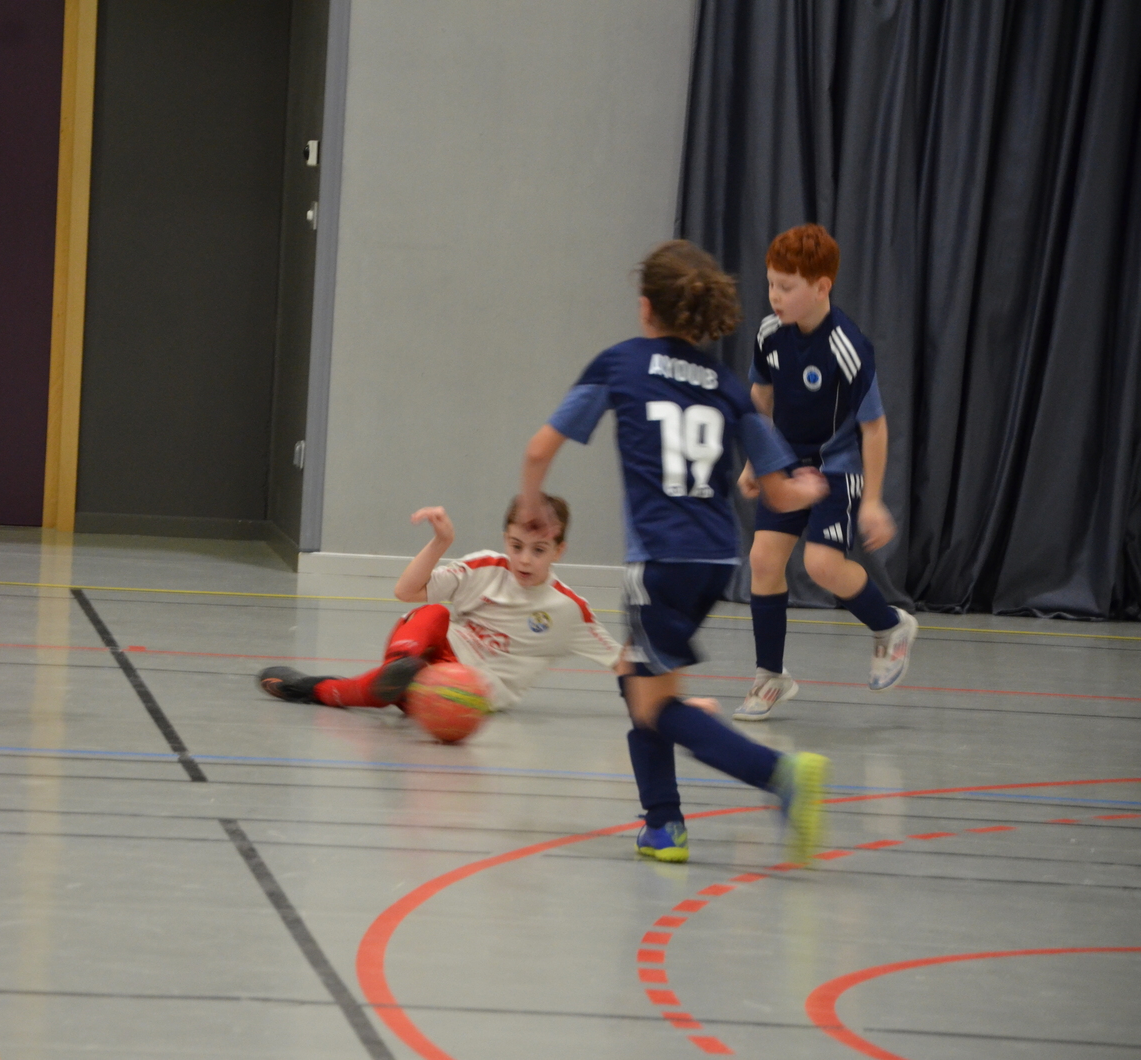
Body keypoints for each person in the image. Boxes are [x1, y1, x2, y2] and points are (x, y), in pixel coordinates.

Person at [517, 239, 831, 865]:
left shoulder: (620, 363)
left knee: (653, 704)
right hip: (716, 558)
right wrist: (809, 487)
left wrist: (532, 503)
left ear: (645, 308)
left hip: (659, 559)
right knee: (635, 676)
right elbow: (778, 491)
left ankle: (779, 776)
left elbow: (538, 449)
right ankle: (662, 826)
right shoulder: (726, 385)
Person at [734, 224, 917, 721]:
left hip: (837, 468)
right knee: (763, 560)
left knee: (820, 565)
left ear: (821, 287)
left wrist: (872, 501)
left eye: (786, 286)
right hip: (786, 465)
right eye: (770, 284)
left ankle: (889, 626)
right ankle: (770, 675)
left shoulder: (847, 345)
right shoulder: (769, 334)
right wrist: (755, 460)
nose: (774, 296)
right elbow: (761, 397)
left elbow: (874, 427)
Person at [256, 497, 627, 713]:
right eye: (516, 546)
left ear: (559, 551)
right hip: (424, 652)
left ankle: (320, 689)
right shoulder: (485, 568)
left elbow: (625, 663)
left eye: (539, 550)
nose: (525, 559)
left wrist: (660, 711)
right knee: (434, 612)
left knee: (411, 682)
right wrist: (441, 542)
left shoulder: (569, 610)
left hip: (469, 693)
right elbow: (406, 591)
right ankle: (399, 668)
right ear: (505, 539)